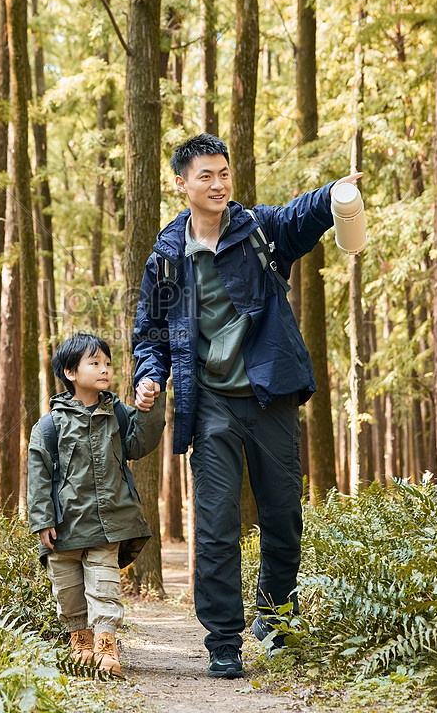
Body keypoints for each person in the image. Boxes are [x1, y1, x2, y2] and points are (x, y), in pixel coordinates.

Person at [130, 132, 361, 678]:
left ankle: (277, 619)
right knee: (214, 524)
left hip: (270, 394)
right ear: (180, 183)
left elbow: (297, 218)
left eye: (224, 173)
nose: (218, 184)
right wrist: (148, 378)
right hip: (206, 404)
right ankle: (223, 641)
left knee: (283, 514)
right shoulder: (166, 258)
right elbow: (152, 334)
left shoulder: (256, 231)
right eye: (205, 175)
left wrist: (332, 195)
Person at [27, 332, 165, 679]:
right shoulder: (49, 425)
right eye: (95, 363)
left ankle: (106, 647)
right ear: (71, 373)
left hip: (108, 524)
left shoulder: (117, 413)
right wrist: (42, 520)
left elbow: (140, 444)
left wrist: (149, 408)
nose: (104, 369)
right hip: (65, 528)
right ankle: (81, 644)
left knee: (105, 588)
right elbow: (38, 475)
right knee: (69, 595)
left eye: (107, 362)